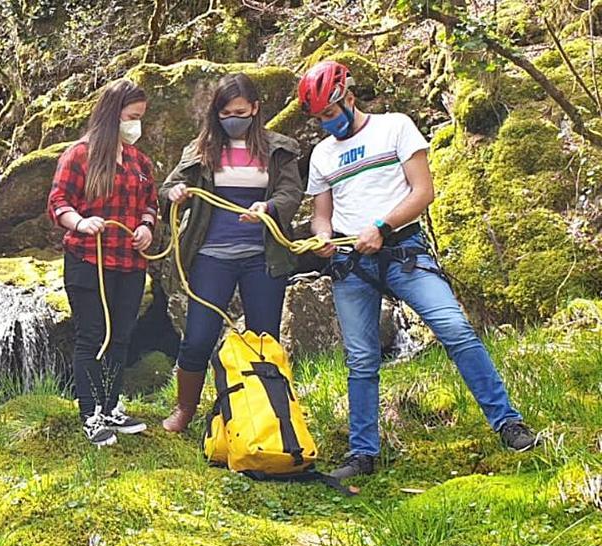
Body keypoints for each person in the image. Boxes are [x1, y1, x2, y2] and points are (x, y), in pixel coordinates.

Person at [299, 60, 538, 480]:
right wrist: (321, 236)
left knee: (455, 329)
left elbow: (423, 190)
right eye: (318, 119)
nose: (326, 124)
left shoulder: (395, 127)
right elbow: (322, 214)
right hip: (349, 261)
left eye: (330, 114)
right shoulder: (322, 155)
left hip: (402, 249)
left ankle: (508, 423)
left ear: (348, 98)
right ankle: (362, 454)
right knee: (360, 359)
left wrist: (381, 227)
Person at [158, 73, 304, 433]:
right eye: (225, 113)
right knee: (198, 336)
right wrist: (175, 193)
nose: (233, 119)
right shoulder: (199, 150)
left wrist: (268, 208)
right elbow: (167, 188)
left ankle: (264, 415)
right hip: (211, 256)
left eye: (240, 111)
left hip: (263, 257)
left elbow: (290, 193)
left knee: (263, 338)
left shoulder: (279, 148)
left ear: (255, 109)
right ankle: (184, 409)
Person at [47, 78, 156, 446]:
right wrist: (80, 222)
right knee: (93, 335)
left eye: (140, 117)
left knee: (121, 336)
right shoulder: (80, 154)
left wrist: (146, 227)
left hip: (129, 262)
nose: (136, 125)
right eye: (131, 116)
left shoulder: (140, 162)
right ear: (112, 115)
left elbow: (151, 205)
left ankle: (111, 407)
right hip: (87, 259)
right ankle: (90, 414)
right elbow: (58, 202)